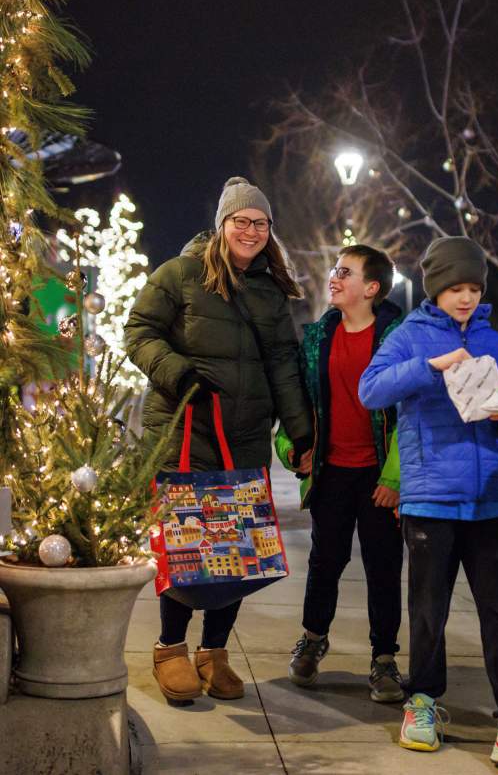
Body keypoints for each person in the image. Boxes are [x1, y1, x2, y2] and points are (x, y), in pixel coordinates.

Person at [359, 236, 498, 770]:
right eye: (454, 288)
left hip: (488, 498)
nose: (464, 297)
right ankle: (422, 703)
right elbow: (370, 390)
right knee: (428, 609)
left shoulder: (494, 340)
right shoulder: (410, 334)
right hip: (429, 497)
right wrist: (431, 366)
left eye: (472, 288)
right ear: (434, 288)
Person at [125, 176, 313, 705]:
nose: (250, 230)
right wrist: (178, 373)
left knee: (235, 551)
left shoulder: (270, 289)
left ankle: (213, 652)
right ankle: (169, 649)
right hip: (186, 432)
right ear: (222, 225)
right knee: (188, 546)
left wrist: (301, 432)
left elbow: (283, 365)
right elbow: (139, 330)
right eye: (240, 221)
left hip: (246, 437)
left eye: (260, 223)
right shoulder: (181, 275)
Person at [275, 244, 405, 702]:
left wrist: (394, 478)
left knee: (383, 567)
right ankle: (312, 640)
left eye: (344, 272)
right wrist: (295, 449)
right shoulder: (316, 339)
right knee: (324, 562)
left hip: (377, 477)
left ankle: (384, 660)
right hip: (331, 473)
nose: (334, 277)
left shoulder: (397, 338)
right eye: (335, 269)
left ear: (371, 288)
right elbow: (295, 406)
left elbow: (410, 415)